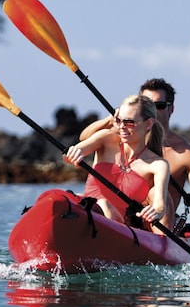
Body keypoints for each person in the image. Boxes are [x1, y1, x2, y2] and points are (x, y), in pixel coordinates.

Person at [79, 78, 190, 224]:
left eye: (159, 105)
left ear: (171, 109)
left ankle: (161, 241)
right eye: (148, 104)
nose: (153, 110)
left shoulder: (186, 154)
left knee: (157, 194)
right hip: (119, 217)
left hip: (157, 223)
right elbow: (85, 139)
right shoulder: (121, 134)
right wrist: (110, 120)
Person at [63, 94, 170, 233]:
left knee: (103, 204)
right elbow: (67, 156)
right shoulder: (106, 138)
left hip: (122, 228)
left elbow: (160, 204)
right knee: (65, 197)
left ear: (148, 124)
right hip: (88, 211)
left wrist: (156, 212)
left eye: (129, 122)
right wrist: (72, 153)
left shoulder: (158, 165)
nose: (122, 127)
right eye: (119, 121)